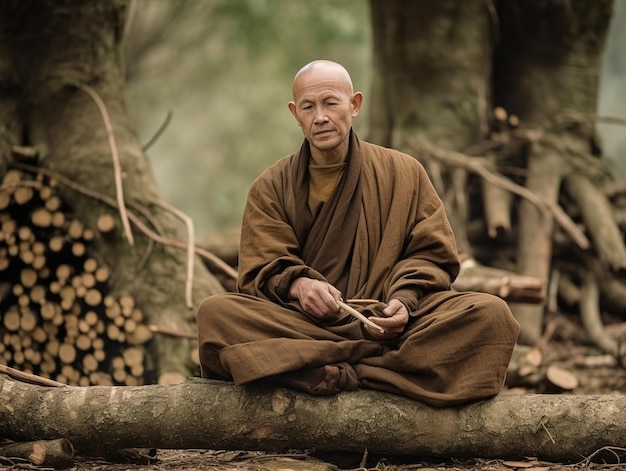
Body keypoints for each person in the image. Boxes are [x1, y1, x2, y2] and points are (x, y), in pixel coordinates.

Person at [196, 60, 520, 407]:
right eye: (308, 107)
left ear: (354, 105)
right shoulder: (271, 187)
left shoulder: (404, 173)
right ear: (295, 113)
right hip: (307, 325)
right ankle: (380, 370)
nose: (320, 117)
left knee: (492, 316)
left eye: (330, 102)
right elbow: (262, 267)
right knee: (215, 314)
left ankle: (328, 368)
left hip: (391, 323)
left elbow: (432, 253)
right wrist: (300, 285)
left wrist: (405, 300)